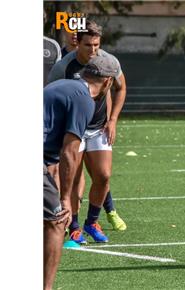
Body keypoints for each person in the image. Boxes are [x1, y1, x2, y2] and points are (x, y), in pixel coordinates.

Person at [48, 20, 127, 244]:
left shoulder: (109, 61)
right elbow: (51, 95)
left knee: (103, 176)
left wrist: (112, 120)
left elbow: (121, 87)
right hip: (73, 129)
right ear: (77, 43)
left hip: (99, 127)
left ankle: (91, 222)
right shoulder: (63, 67)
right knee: (72, 179)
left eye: (96, 45)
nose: (93, 50)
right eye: (88, 45)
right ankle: (73, 226)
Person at [44, 55, 118, 290]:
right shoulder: (84, 99)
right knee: (56, 222)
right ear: (107, 82)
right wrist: (66, 197)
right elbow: (69, 150)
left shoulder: (63, 86)